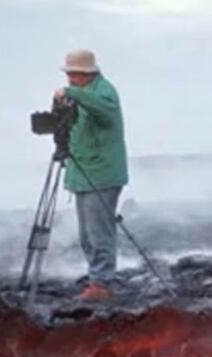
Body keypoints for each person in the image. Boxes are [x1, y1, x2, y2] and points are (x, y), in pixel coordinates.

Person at [53, 49, 128, 301]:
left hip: (103, 175)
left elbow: (103, 111)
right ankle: (96, 280)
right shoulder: (82, 95)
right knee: (87, 235)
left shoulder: (104, 92)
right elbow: (74, 132)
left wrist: (73, 94)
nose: (71, 79)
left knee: (99, 233)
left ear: (88, 73)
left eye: (75, 74)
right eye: (69, 75)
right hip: (84, 174)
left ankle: (102, 284)